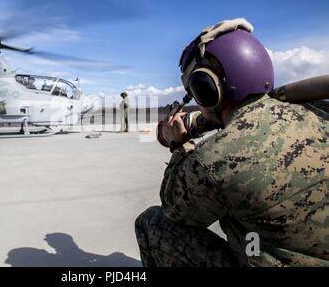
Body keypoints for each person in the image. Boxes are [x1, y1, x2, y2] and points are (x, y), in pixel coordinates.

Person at [135, 18, 329, 267]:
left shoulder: (214, 159)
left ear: (208, 88)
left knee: (151, 222)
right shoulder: (316, 112)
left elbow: (175, 209)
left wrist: (179, 144)